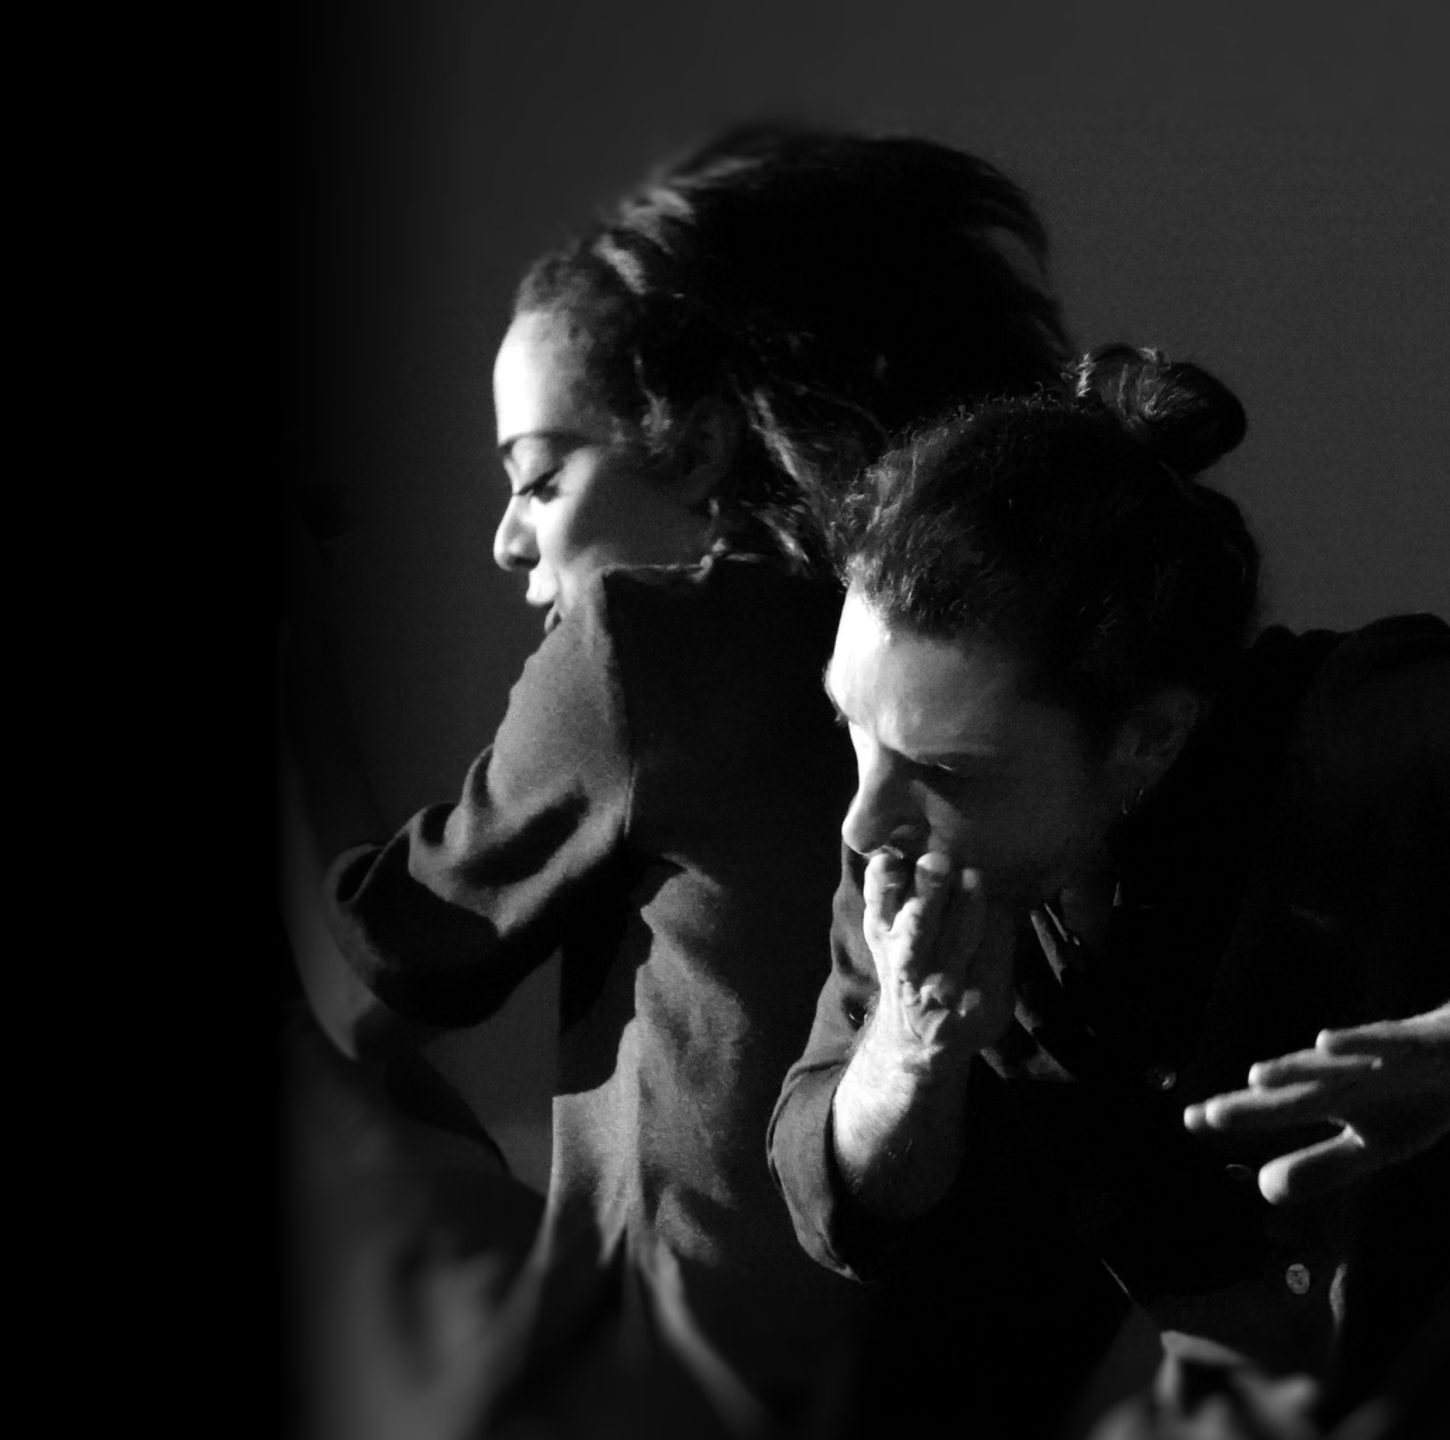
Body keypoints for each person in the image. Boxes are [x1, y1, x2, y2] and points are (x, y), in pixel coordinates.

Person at [768, 345, 1450, 1436]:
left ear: (1150, 734)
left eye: (950, 769)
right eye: (854, 728)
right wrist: (910, 1046)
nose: (863, 820)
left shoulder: (1361, 724)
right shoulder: (907, 847)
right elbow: (837, 1203)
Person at [283, 125, 1087, 1439]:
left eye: (542, 478)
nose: (509, 542)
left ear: (702, 445)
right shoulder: (936, 648)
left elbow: (365, 988)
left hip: (663, 1391)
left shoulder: (643, 648)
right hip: (932, 1378)